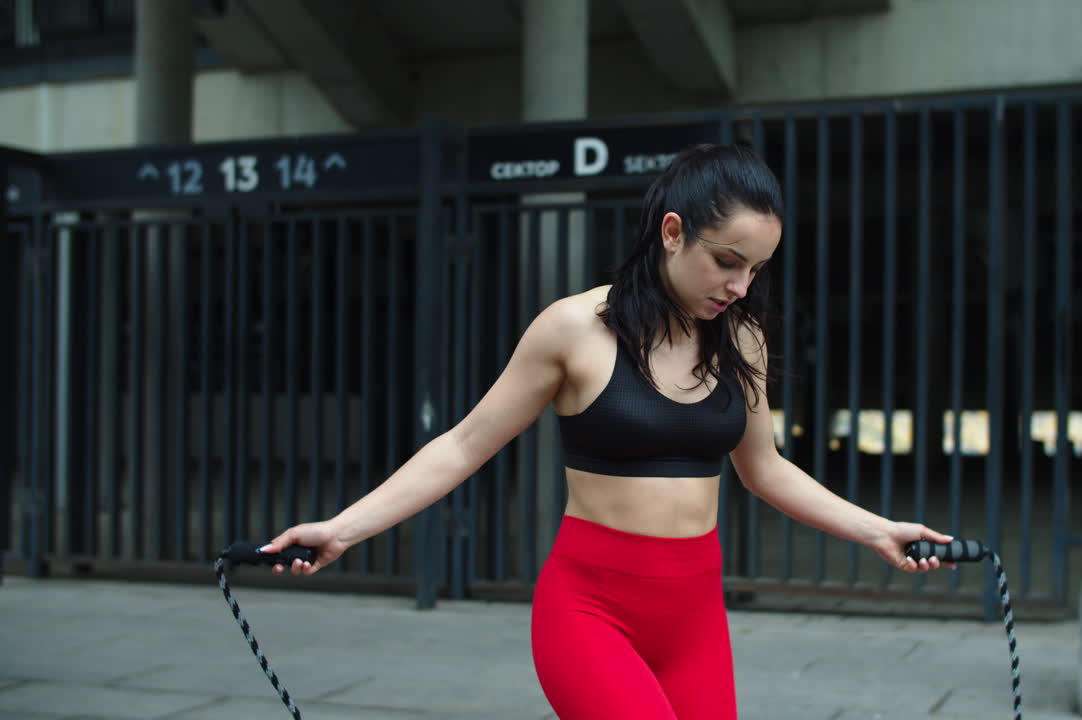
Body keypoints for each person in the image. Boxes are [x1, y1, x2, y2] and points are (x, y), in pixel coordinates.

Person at [262, 143, 953, 719]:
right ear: (673, 231)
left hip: (694, 616)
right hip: (592, 610)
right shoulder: (573, 329)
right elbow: (466, 443)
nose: (741, 287)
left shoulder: (740, 337)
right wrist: (344, 528)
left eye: (758, 269)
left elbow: (765, 469)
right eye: (728, 261)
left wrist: (877, 530)